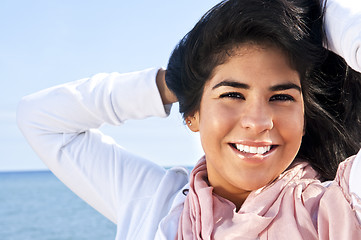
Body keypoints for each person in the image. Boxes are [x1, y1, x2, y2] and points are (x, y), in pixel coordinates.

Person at [17, 0, 361, 239]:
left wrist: (323, 12)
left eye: (282, 97)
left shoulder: (336, 208)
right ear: (192, 114)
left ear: (304, 117)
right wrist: (170, 83)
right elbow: (41, 119)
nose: (258, 121)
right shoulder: (153, 201)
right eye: (232, 94)